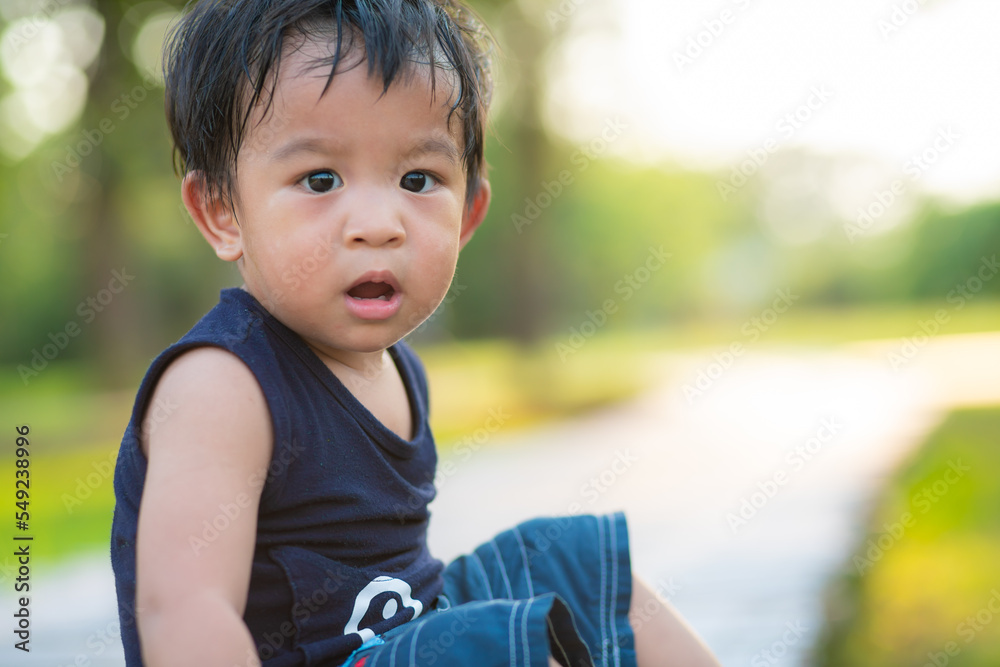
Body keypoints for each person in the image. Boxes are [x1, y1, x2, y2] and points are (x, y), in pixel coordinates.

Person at [110, 1, 721, 665]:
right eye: (320, 179)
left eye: (417, 179)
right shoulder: (222, 386)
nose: (378, 222)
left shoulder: (400, 370)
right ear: (223, 210)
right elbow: (184, 608)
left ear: (467, 213)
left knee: (587, 574)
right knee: (498, 650)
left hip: (408, 631)